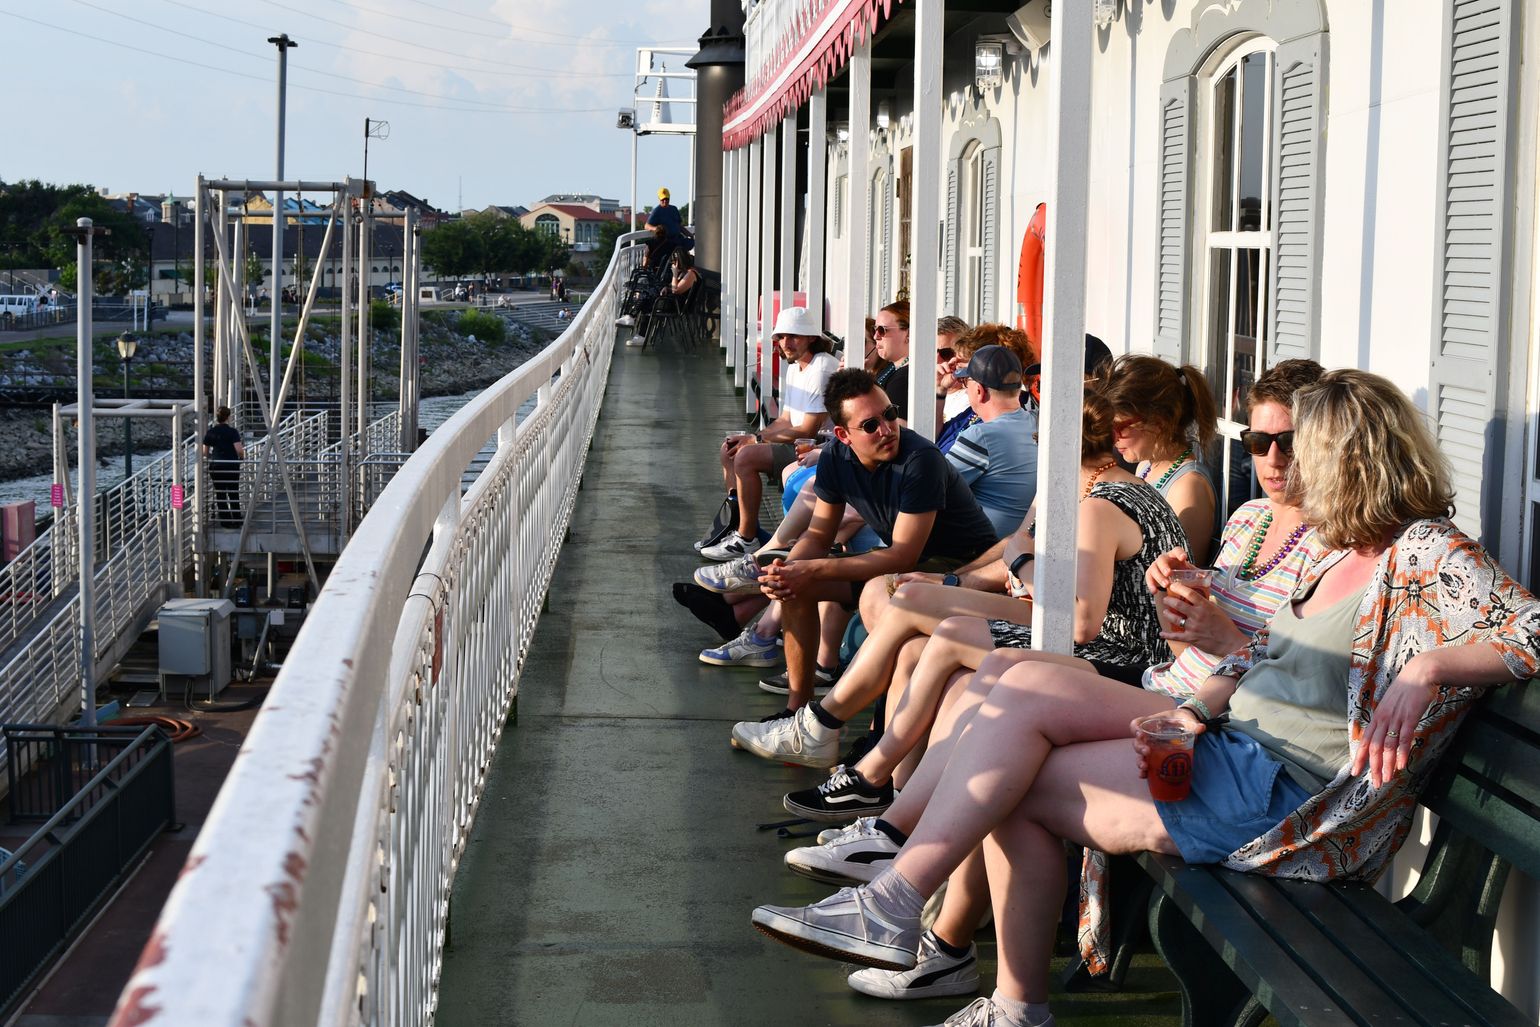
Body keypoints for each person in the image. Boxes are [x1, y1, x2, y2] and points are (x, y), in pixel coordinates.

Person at [750, 368, 1540, 1027]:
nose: (1284, 468)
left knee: (1014, 756)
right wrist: (1196, 706)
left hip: (1283, 793)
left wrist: (1427, 668)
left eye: (1306, 451)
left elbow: (1533, 630)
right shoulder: (1332, 550)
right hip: (1228, 743)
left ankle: (906, 906)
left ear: (1354, 459)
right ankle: (972, 965)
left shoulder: (1429, 550)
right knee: (1012, 719)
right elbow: (1269, 653)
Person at [793, 358, 1327, 1001]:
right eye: (1256, 442)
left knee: (1001, 692)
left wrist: (1213, 638)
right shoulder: (1249, 518)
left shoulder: (1330, 540)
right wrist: (1178, 594)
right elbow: (1196, 629)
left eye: (1285, 442)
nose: (1269, 458)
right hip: (1176, 685)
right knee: (989, 685)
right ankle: (915, 902)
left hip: (1193, 711)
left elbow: (1253, 654)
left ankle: (898, 868)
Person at [734, 377, 1185, 780]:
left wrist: (1018, 562)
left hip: (1115, 653)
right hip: (1058, 617)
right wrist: (956, 581)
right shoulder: (1080, 489)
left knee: (933, 627)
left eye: (1037, 440)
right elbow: (1023, 549)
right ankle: (873, 776)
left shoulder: (1099, 505)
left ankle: (832, 735)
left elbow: (1082, 622)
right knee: (910, 606)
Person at [733, 368, 998, 718]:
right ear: (843, 434)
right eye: (871, 425)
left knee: (823, 578)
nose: (888, 430)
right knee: (796, 586)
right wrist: (789, 569)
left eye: (889, 414)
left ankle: (871, 722)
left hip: (961, 566)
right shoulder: (834, 458)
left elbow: (904, 554)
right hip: (908, 565)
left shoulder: (922, 460)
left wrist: (811, 568)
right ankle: (797, 710)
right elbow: (818, 534)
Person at [700, 306, 839, 561]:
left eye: (794, 336)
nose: (786, 343)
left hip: (816, 447)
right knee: (730, 449)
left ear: (811, 337)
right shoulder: (797, 367)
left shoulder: (821, 369)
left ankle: (746, 538)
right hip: (799, 441)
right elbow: (785, 419)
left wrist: (756, 441)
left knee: (745, 457)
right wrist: (751, 438)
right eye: (781, 337)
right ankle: (735, 522)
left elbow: (807, 429)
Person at [1106, 355, 1219, 565]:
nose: (1113, 437)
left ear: (1158, 423)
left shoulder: (1189, 487)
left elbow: (1181, 574)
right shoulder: (1145, 466)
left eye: (1119, 427)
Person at [945, 345, 1037, 538]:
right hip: (1024, 545)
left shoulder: (980, 436)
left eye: (965, 382)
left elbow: (930, 490)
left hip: (979, 553)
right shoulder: (1037, 422)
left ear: (979, 391)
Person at [202, 406, 245, 528]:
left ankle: (225, 521)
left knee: (220, 493)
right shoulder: (232, 432)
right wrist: (241, 457)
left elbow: (205, 453)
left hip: (216, 466)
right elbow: (239, 450)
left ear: (217, 417)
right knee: (233, 492)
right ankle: (236, 519)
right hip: (231, 466)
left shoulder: (211, 432)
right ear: (228, 417)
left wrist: (213, 456)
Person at [872, 302, 911, 420]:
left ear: (908, 334)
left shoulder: (906, 378)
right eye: (874, 329)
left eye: (882, 330)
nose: (875, 336)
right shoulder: (891, 367)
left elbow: (897, 429)